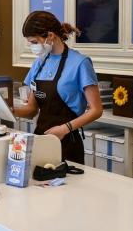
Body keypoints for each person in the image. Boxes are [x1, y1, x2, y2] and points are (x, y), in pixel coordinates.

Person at [13, 11, 102, 165]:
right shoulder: (39, 63)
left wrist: (64, 129)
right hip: (41, 140)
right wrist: (5, 109)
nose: (32, 47)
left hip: (67, 143)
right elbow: (31, 109)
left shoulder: (80, 63)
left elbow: (96, 110)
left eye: (34, 42)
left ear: (50, 36)